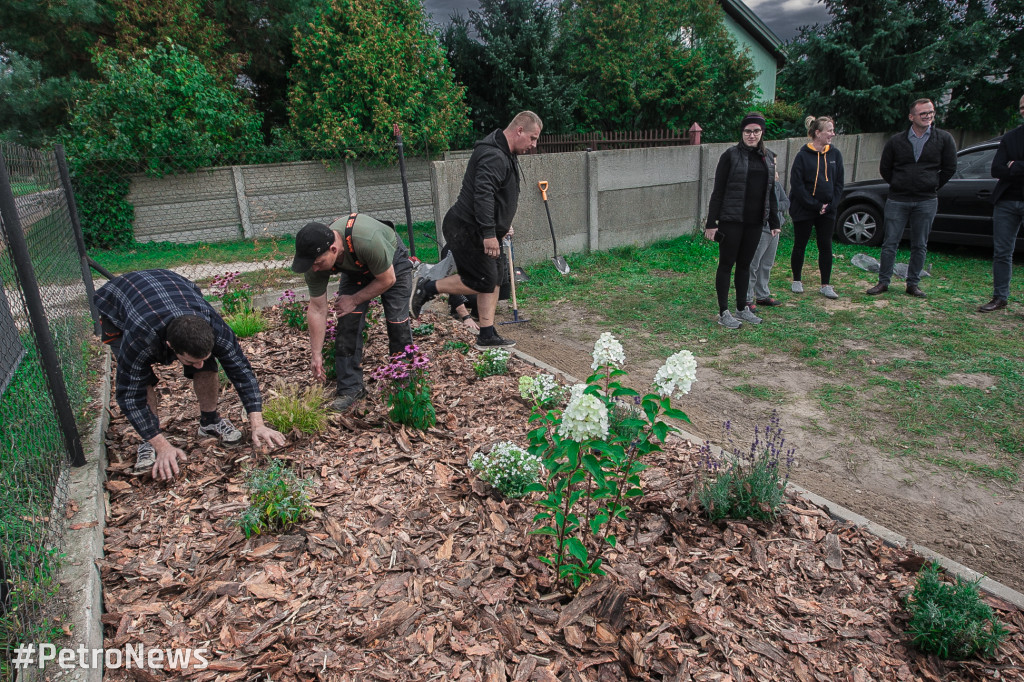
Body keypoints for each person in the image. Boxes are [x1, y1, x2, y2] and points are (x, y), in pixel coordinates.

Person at [95, 269, 287, 480]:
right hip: (120, 302)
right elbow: (129, 396)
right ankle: (150, 440)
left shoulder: (216, 329)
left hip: (173, 285)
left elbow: (241, 372)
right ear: (169, 346)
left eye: (202, 357)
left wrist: (257, 424)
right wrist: (163, 446)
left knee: (207, 365)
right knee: (140, 382)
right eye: (190, 361)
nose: (198, 365)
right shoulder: (139, 339)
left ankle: (210, 422)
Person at [411, 111, 542, 349]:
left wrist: (502, 223)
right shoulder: (494, 155)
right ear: (519, 131)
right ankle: (427, 286)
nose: (533, 145)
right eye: (532, 138)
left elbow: (499, 195)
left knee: (493, 279)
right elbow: (483, 196)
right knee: (481, 280)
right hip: (468, 229)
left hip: (482, 229)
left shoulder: (505, 152)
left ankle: (487, 333)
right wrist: (490, 234)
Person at [291, 213, 414, 412]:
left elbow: (388, 280)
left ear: (333, 249)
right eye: (311, 264)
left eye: (318, 263)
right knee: (347, 320)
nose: (314, 268)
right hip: (356, 269)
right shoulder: (316, 262)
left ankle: (405, 383)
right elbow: (317, 308)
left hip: (391, 265)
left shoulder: (368, 240)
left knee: (397, 321)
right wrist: (316, 354)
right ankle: (350, 388)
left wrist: (354, 299)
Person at [867, 98, 957, 298]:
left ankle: (913, 283)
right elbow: (885, 168)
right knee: (890, 242)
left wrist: (931, 184)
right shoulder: (896, 141)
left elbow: (950, 168)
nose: (928, 116)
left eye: (931, 112)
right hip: (898, 199)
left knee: (920, 244)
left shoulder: (943, 139)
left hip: (926, 200)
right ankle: (883, 282)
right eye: (923, 113)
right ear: (911, 116)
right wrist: (900, 184)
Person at [704, 111, 780, 329]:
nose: (752, 135)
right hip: (732, 220)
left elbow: (770, 192)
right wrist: (711, 223)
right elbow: (718, 191)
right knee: (727, 264)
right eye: (748, 131)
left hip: (755, 221)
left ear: (762, 133)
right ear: (742, 132)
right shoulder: (730, 156)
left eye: (756, 131)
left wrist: (774, 222)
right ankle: (724, 312)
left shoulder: (768, 158)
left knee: (745, 265)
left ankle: (741, 308)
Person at [789, 115, 845, 299]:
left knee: (825, 246)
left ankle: (826, 284)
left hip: (827, 211)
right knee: (800, 244)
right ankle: (797, 280)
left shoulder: (835, 154)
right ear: (817, 133)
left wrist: (830, 206)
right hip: (805, 209)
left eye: (832, 130)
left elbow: (839, 184)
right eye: (829, 130)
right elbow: (797, 185)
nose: (832, 134)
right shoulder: (802, 156)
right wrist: (814, 205)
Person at [979, 93, 1024, 312]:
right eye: (1023, 107)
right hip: (1006, 201)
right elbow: (996, 169)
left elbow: (1008, 169)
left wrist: (1015, 166)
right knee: (1002, 252)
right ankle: (1000, 297)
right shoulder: (1011, 137)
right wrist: (1011, 168)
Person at [746, 170, 790, 309]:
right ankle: (747, 297)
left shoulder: (776, 185)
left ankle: (762, 295)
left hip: (775, 228)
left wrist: (774, 207)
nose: (776, 171)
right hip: (761, 229)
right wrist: (773, 207)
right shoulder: (757, 185)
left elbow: (786, 202)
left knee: (767, 264)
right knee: (753, 264)